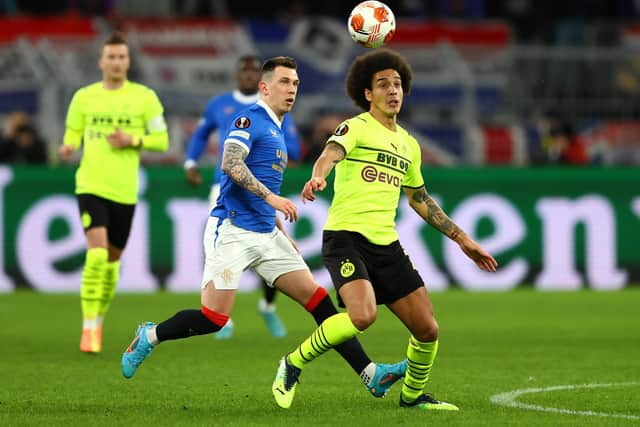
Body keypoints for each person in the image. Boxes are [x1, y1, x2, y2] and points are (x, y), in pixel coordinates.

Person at [120, 56, 407, 404]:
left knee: (319, 303)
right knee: (214, 317)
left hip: (267, 235)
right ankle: (150, 336)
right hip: (232, 230)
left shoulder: (280, 129)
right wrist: (273, 199)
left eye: (296, 84)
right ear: (265, 87)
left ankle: (370, 373)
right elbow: (230, 163)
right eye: (285, 82)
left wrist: (280, 233)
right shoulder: (249, 119)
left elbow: (261, 175)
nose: (292, 90)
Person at [272, 49, 498, 411]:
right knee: (362, 316)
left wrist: (463, 240)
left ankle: (412, 396)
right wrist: (318, 176)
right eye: (383, 85)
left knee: (428, 330)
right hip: (346, 238)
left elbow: (420, 199)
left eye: (397, 84)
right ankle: (293, 363)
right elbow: (331, 152)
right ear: (367, 94)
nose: (393, 91)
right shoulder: (356, 127)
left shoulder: (409, 144)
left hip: (386, 244)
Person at [59, 31, 169, 354]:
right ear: (101, 61)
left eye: (122, 57)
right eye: (111, 57)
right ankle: (89, 327)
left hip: (125, 191)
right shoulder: (84, 97)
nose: (117, 62)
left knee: (110, 263)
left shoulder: (145, 97)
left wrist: (133, 140)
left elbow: (162, 140)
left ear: (128, 62)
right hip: (91, 184)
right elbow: (72, 136)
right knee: (95, 255)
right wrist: (67, 148)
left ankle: (99, 318)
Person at [184, 54, 300, 339]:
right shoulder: (219, 105)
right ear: (240, 76)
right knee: (217, 249)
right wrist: (191, 162)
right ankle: (223, 316)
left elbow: (295, 148)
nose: (247, 76)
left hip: (263, 189)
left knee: (272, 248)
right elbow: (201, 135)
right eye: (244, 71)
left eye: (252, 71)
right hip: (224, 187)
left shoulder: (278, 110)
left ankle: (268, 306)